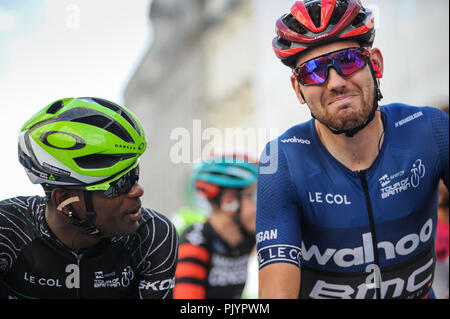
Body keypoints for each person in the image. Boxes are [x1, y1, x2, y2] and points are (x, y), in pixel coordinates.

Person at [256, 0, 449, 299]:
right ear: (298, 90)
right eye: (313, 71)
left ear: (376, 64)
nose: (334, 82)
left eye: (348, 60)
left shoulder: (430, 129)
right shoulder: (283, 160)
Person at [0, 97, 178, 299]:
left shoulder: (152, 235)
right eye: (120, 184)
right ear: (65, 201)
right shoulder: (7, 230)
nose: (137, 190)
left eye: (134, 173)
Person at [174, 154, 257, 299]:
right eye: (254, 197)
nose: (262, 205)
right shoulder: (196, 242)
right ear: (229, 203)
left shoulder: (247, 235)